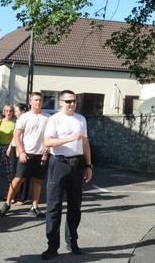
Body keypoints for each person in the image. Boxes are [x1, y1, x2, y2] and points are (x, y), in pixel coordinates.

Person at [40, 90, 92, 259]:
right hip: (59, 163)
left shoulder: (81, 119)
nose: (72, 104)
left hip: (77, 164)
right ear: (61, 102)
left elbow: (85, 144)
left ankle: (72, 242)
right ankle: (52, 246)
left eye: (74, 101)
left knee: (75, 206)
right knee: (54, 206)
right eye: (68, 101)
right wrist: (69, 139)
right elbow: (48, 141)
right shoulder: (54, 119)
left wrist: (89, 165)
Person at [0, 93, 49, 218]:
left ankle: (34, 207)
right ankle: (7, 203)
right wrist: (21, 151)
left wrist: (48, 146)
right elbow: (17, 135)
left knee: (37, 181)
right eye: (36, 100)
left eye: (40, 100)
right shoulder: (25, 117)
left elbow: (50, 135)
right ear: (30, 102)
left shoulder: (47, 117)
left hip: (41, 154)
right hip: (27, 153)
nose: (38, 102)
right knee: (18, 179)